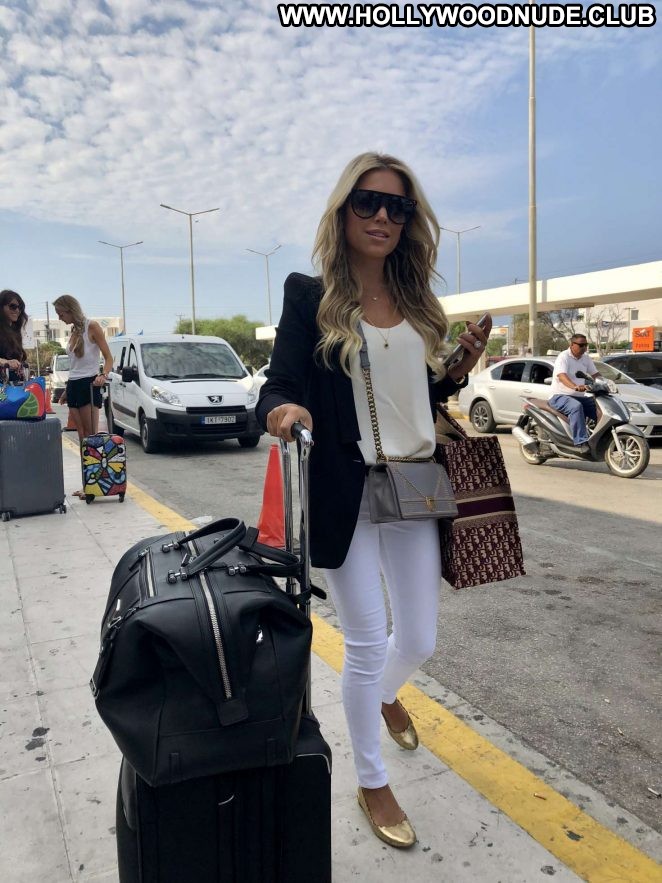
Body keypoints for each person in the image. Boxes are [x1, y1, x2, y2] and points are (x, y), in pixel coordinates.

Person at [257, 153, 489, 849]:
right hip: (345, 488)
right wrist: (285, 410)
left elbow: (412, 394)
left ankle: (387, 694)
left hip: (414, 483)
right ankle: (371, 778)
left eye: (398, 207)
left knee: (417, 638)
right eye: (368, 202)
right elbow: (278, 383)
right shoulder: (310, 295)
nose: (384, 216)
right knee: (363, 640)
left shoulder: (417, 303)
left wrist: (457, 370)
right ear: (343, 210)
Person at [53, 295, 113, 497]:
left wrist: (103, 375)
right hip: (74, 385)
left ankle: (95, 485)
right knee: (81, 437)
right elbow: (74, 366)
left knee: (90, 436)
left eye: (61, 313)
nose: (60, 318)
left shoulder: (92, 327)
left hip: (89, 384)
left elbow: (108, 357)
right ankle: (87, 484)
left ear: (70, 310)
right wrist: (65, 392)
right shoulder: (73, 331)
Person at [548, 334, 601, 447]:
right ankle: (580, 442)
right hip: (559, 396)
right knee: (576, 406)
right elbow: (561, 376)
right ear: (572, 344)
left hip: (580, 397)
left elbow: (595, 374)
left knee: (600, 408)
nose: (584, 348)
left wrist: (605, 383)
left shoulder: (586, 358)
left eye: (586, 345)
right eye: (581, 345)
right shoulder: (564, 357)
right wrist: (574, 386)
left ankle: (602, 439)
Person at [0, 290, 29, 381]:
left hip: (14, 384)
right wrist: (4, 362)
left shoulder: (15, 332)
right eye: (13, 306)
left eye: (20, 308)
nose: (17, 310)